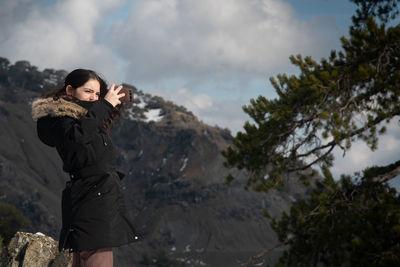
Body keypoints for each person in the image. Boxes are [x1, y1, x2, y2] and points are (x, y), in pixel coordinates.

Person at [31, 69, 138, 267]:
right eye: (88, 91)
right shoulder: (60, 118)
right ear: (70, 90)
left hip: (98, 193)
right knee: (97, 255)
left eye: (97, 94)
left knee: (87, 255)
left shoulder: (85, 117)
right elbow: (77, 138)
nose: (94, 97)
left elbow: (88, 129)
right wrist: (104, 104)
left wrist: (111, 102)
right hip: (91, 194)